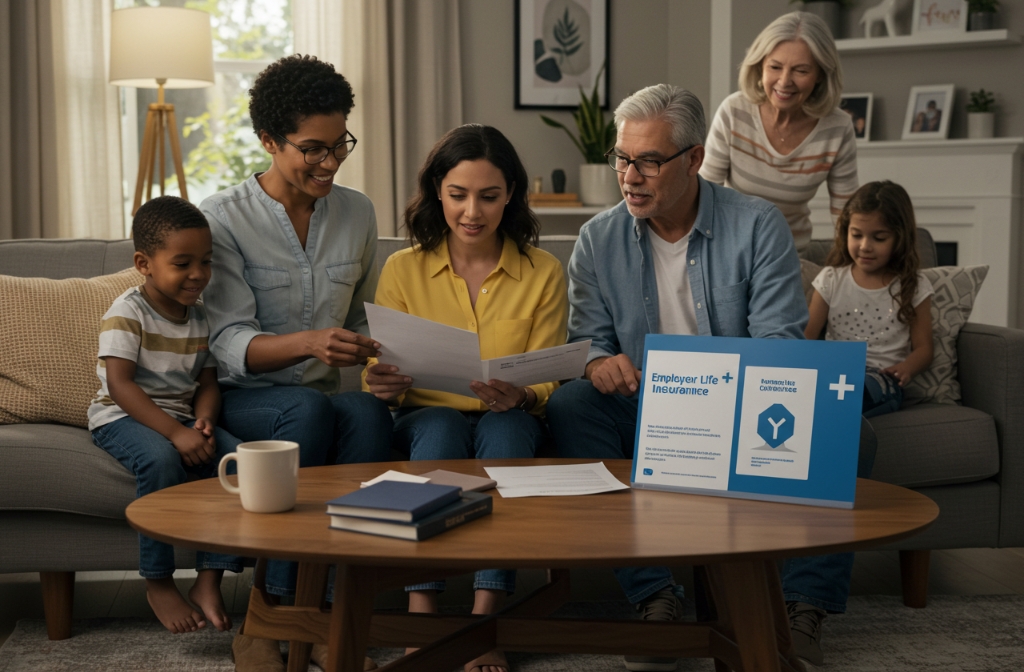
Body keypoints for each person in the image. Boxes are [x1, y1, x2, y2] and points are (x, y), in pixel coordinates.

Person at [545, 83, 810, 672]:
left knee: (848, 436)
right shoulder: (598, 237)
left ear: (693, 159)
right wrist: (596, 363)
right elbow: (588, 341)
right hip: (647, 404)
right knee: (571, 407)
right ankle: (654, 592)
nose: (629, 175)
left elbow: (781, 346)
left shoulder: (758, 225)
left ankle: (801, 606)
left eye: (648, 161)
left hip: (741, 405)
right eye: (622, 157)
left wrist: (714, 389)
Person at [201, 54, 391, 672]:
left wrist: (380, 360)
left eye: (341, 146)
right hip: (245, 394)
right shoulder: (222, 218)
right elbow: (227, 340)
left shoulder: (358, 212)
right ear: (267, 141)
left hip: (319, 392)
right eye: (313, 149)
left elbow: (364, 319)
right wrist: (311, 342)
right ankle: (267, 610)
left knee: (364, 413)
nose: (331, 163)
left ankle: (335, 609)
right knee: (307, 410)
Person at [365, 124, 568, 672]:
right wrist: (378, 378)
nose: (472, 211)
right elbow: (379, 363)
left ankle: (484, 619)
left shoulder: (543, 271)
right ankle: (423, 612)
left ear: (511, 196)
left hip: (511, 415)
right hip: (428, 413)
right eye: (458, 195)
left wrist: (523, 392)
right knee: (440, 432)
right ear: (437, 191)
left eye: (489, 196)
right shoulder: (402, 268)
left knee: (502, 437)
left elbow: (550, 372)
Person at [89, 196, 243, 635]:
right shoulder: (128, 312)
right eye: (183, 263)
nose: (199, 274)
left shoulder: (202, 316)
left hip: (179, 417)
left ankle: (208, 581)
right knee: (159, 460)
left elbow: (208, 383)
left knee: (241, 464)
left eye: (206, 261)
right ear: (144, 263)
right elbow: (120, 386)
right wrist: (176, 434)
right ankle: (157, 582)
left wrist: (204, 422)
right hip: (120, 416)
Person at [700, 11, 858, 252]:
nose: (784, 82)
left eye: (801, 70)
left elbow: (845, 216)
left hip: (791, 257)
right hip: (728, 252)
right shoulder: (734, 112)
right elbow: (702, 196)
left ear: (820, 75)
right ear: (760, 66)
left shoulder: (837, 127)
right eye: (775, 67)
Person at [805, 181, 933, 417]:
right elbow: (806, 337)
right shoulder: (831, 279)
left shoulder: (913, 285)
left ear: (899, 238)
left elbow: (924, 348)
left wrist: (906, 368)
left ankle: (834, 413)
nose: (865, 246)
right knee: (825, 390)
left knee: (863, 390)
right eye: (856, 235)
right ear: (846, 232)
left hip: (882, 380)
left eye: (879, 238)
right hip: (835, 375)